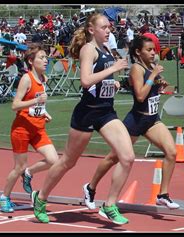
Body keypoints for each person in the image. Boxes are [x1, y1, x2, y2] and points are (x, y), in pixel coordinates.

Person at [31, 13, 132, 225]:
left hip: (106, 112)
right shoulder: (89, 49)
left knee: (127, 157)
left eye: (109, 27)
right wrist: (113, 69)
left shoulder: (106, 49)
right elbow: (85, 81)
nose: (108, 30)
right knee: (68, 161)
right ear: (91, 29)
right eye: (103, 27)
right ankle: (40, 198)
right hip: (87, 112)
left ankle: (109, 205)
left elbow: (99, 79)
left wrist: (111, 83)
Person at [83, 36, 181, 214]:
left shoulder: (151, 67)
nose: (153, 53)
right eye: (149, 50)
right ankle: (90, 187)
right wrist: (152, 76)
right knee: (114, 158)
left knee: (172, 152)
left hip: (152, 119)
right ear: (138, 52)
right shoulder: (137, 69)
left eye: (154, 50)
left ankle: (163, 194)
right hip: (136, 121)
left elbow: (150, 91)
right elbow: (140, 96)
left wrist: (159, 85)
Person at [0, 43, 58, 213]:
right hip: (22, 129)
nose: (45, 60)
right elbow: (15, 105)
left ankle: (29, 173)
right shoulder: (27, 79)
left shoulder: (43, 78)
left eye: (46, 57)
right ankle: (4, 196)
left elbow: (36, 105)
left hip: (38, 128)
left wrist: (43, 112)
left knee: (54, 160)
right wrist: (36, 102)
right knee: (19, 167)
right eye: (41, 57)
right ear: (31, 61)